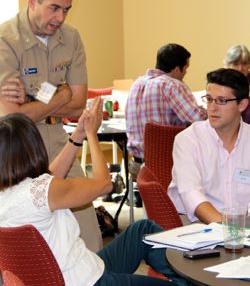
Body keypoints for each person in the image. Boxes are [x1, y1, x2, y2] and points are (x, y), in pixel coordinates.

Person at [0, 98, 190, 286]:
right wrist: (92, 134)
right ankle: (194, 278)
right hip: (89, 281)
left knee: (143, 231)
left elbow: (48, 177)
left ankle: (191, 278)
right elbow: (104, 184)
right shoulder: (43, 191)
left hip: (81, 272)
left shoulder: (17, 192)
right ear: (34, 149)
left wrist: (78, 135)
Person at [0, 0, 102, 251]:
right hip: (15, 148)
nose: (60, 18)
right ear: (33, 1)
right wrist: (58, 99)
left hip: (59, 140)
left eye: (66, 9)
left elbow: (80, 100)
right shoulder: (5, 39)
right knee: (23, 233)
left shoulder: (71, 38)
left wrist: (30, 101)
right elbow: (12, 116)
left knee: (87, 229)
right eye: (54, 8)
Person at [168, 68, 250, 224]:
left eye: (222, 101)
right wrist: (228, 230)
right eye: (209, 99)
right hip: (195, 226)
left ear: (242, 104)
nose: (212, 108)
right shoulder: (188, 140)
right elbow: (192, 195)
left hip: (243, 228)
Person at [125, 43, 207, 179]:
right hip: (165, 165)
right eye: (185, 68)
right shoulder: (172, 85)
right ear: (176, 69)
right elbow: (197, 118)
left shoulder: (136, 84)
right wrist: (210, 108)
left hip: (137, 166)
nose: (185, 73)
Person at [223, 44, 250, 123]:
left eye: (244, 63)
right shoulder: (221, 81)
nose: (240, 68)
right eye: (236, 64)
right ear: (227, 65)